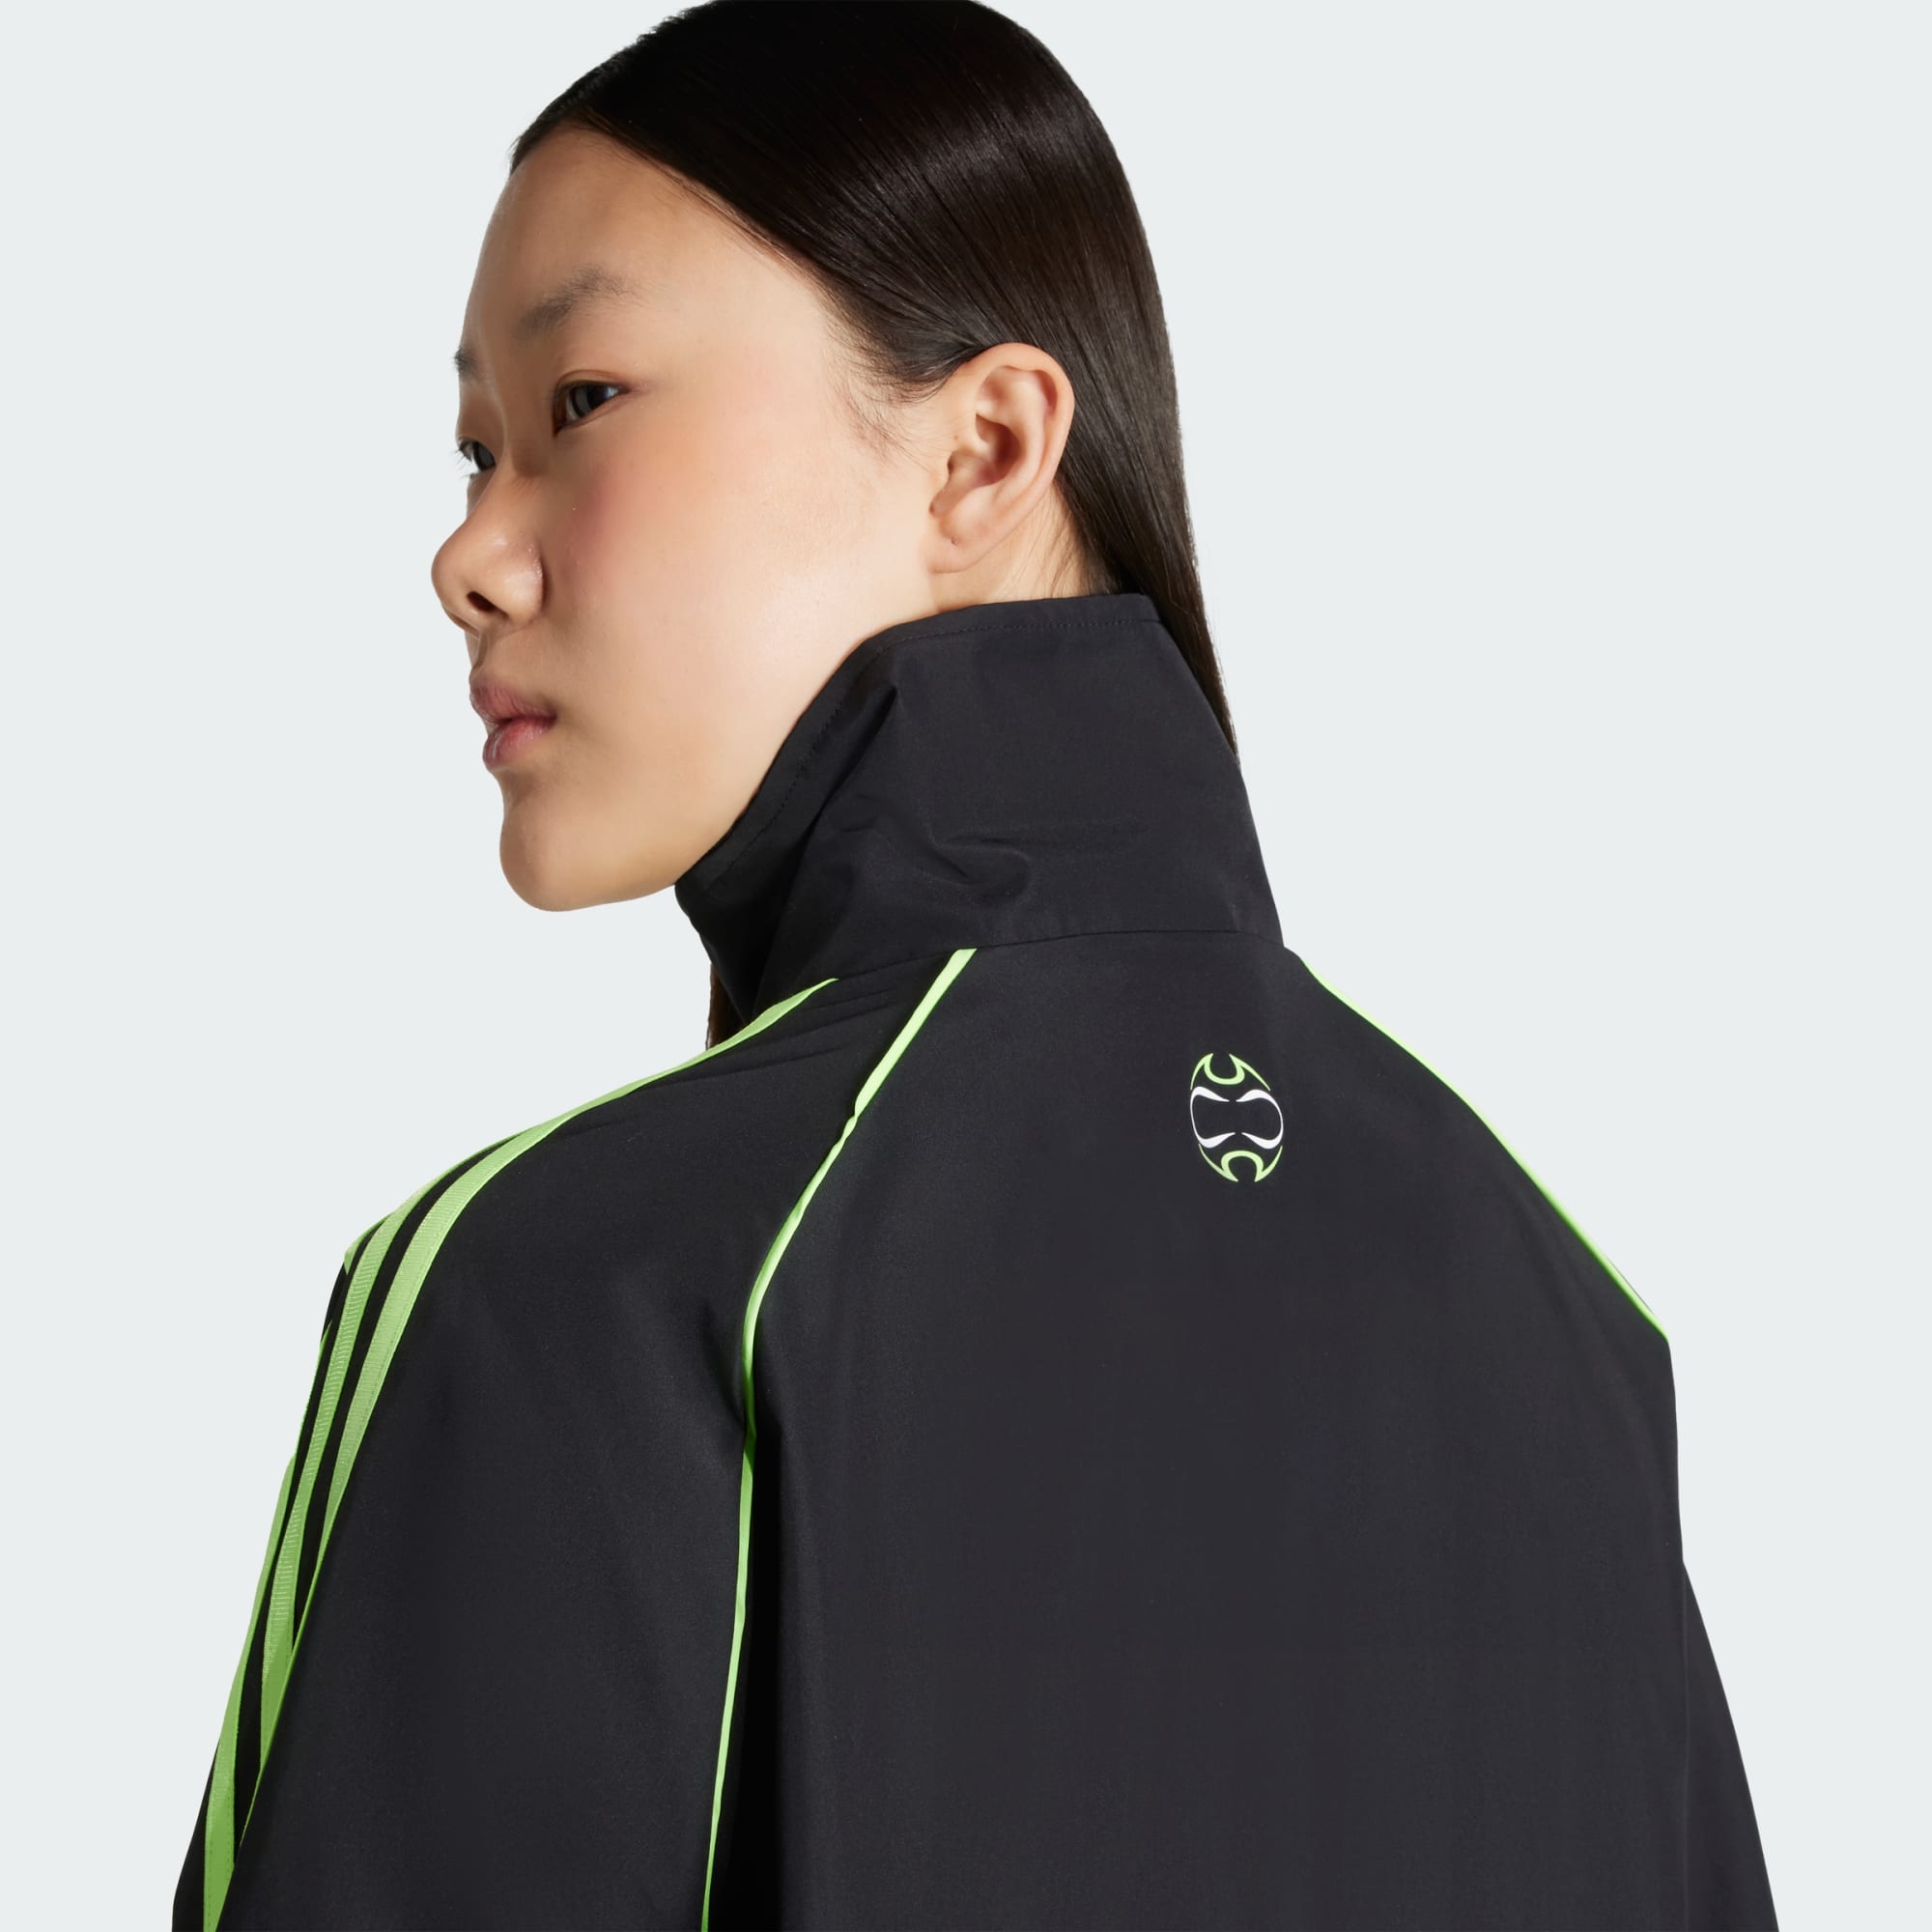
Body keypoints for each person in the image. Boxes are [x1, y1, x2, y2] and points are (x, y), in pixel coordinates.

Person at [171, 5, 1777, 1927]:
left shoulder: (588, 1286)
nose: (469, 556)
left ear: (983, 451)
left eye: (580, 401)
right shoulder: (1556, 1298)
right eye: (471, 449)